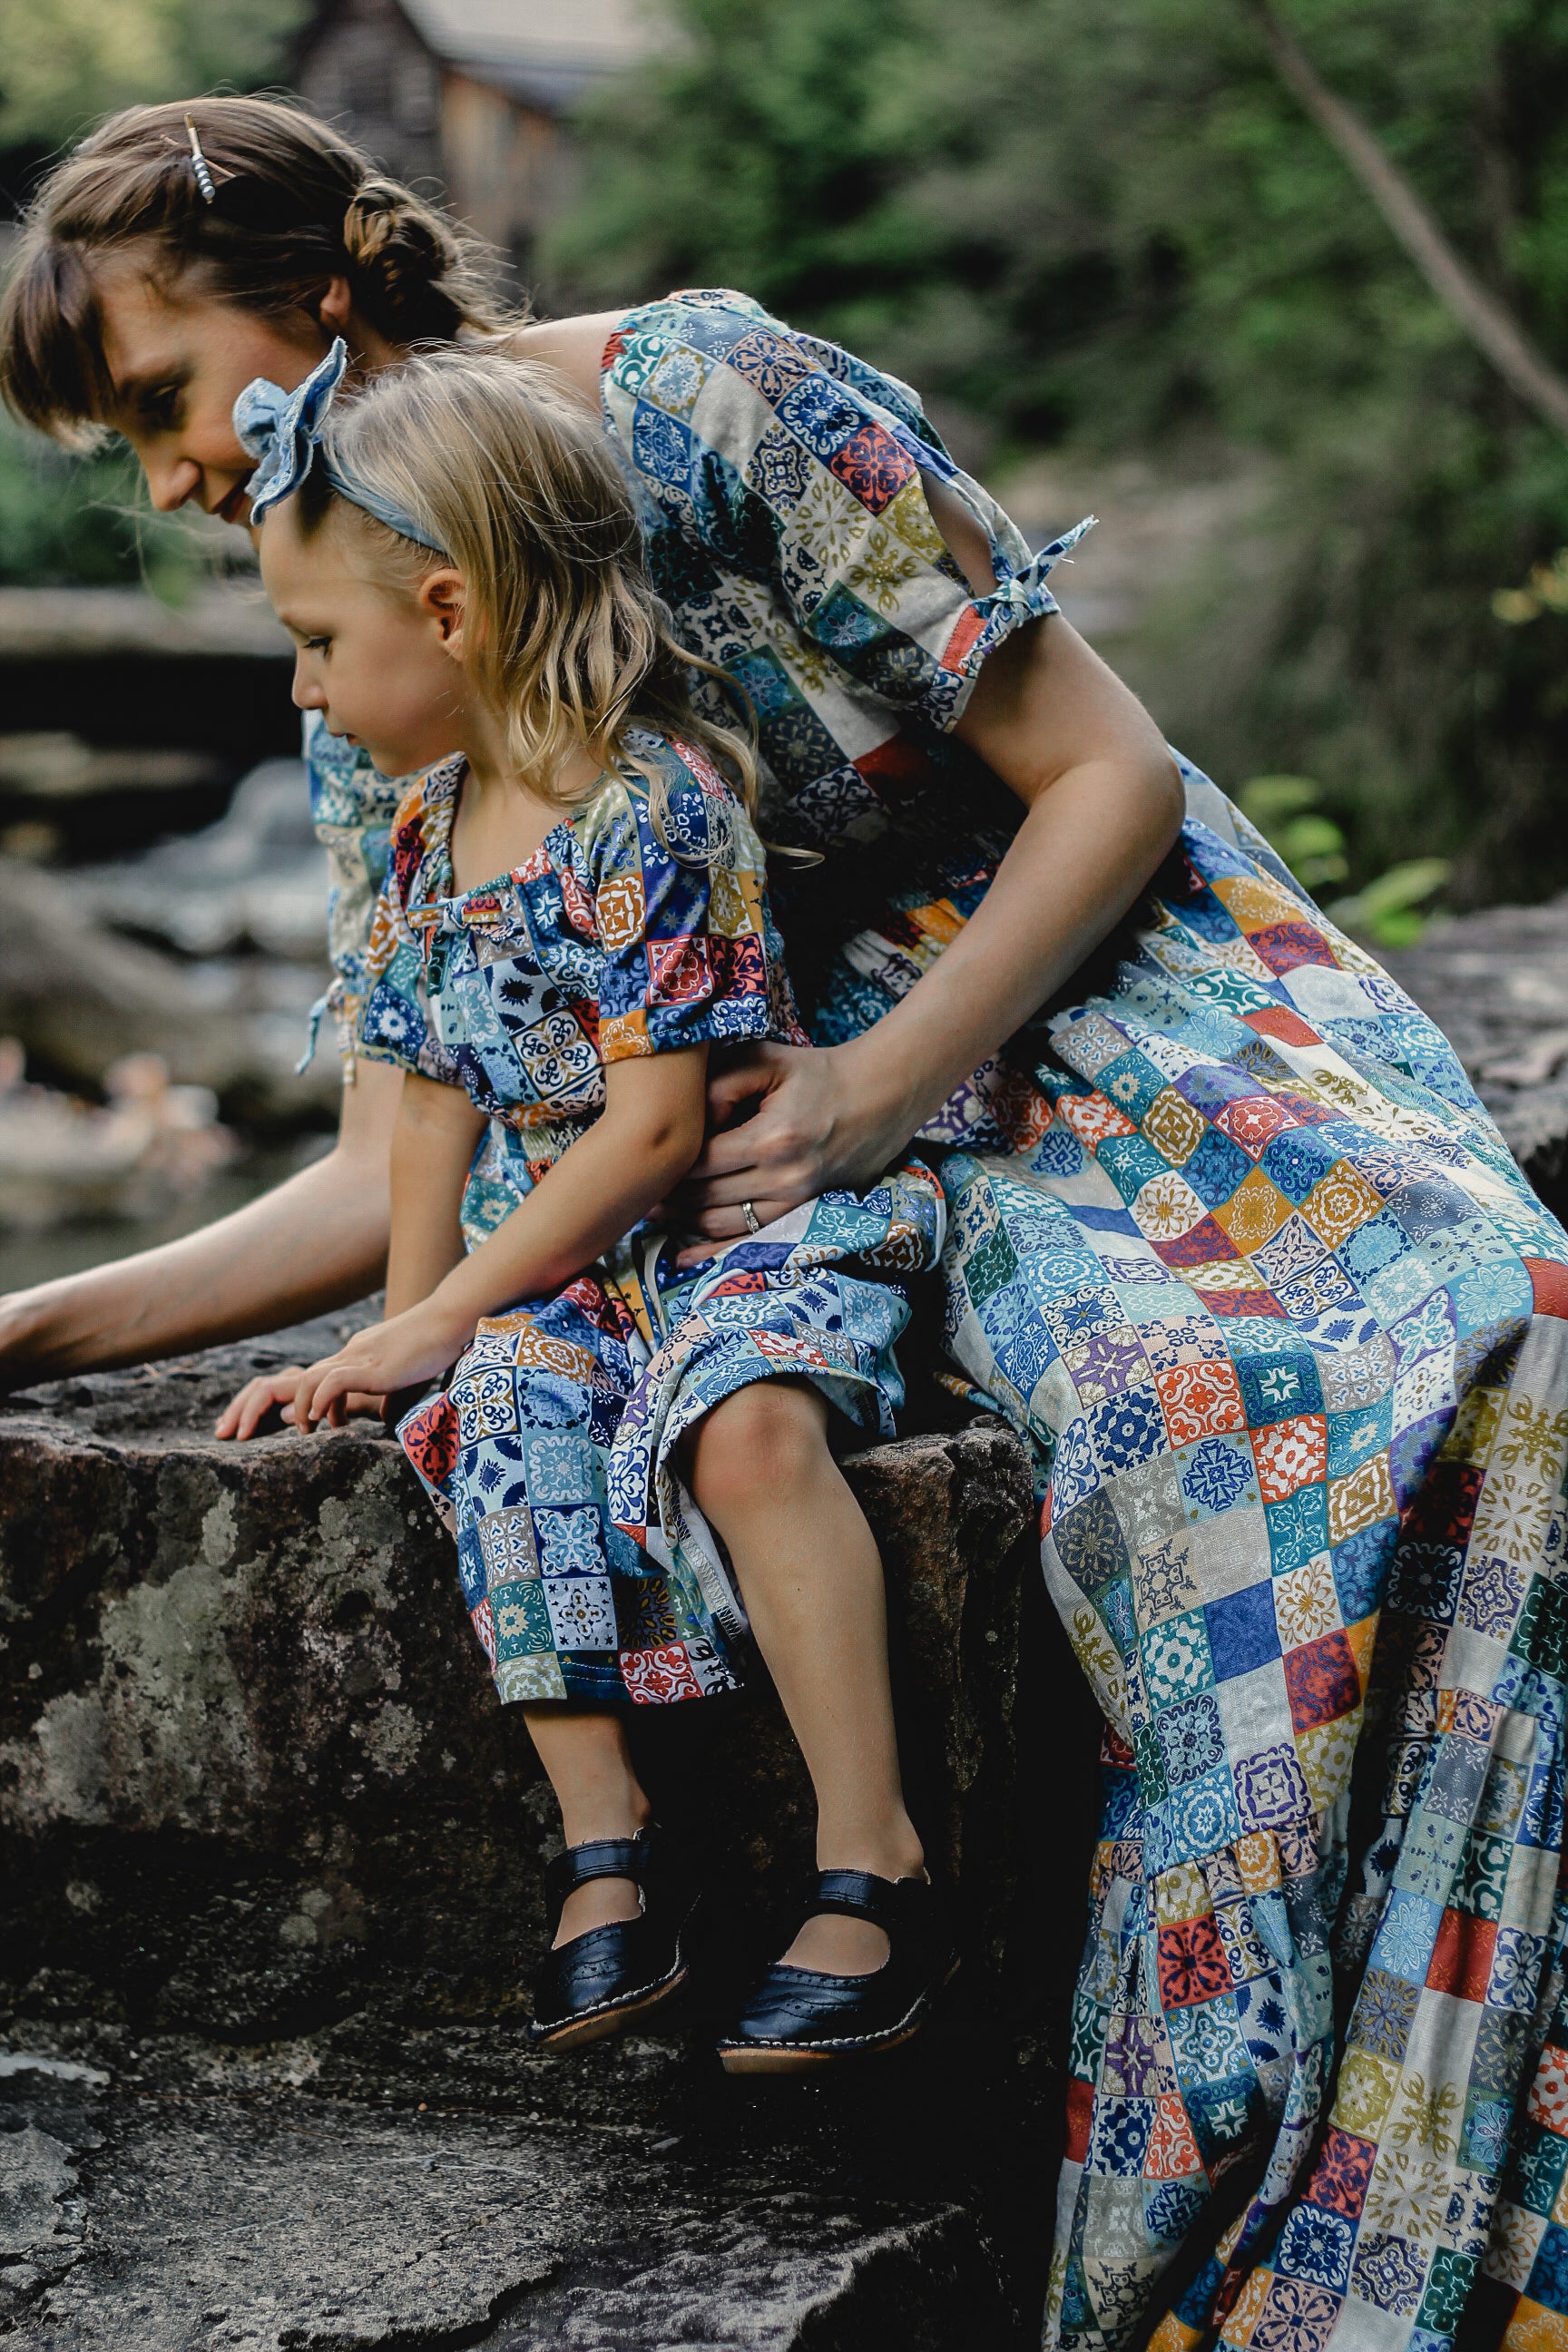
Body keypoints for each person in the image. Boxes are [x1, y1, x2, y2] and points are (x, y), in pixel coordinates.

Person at [5, 93, 1568, 2352]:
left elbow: (1106, 773)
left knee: (1507, 1315)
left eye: (158, 399)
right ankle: (1279, 2178)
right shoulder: (367, 654)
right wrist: (39, 1332)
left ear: (320, 294)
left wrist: (882, 1075)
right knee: (1197, 1421)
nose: (162, 478)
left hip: (1067, 979)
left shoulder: (720, 400)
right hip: (751, 1109)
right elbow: (385, 1168)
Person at [234, 333, 954, 2067]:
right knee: (496, 1417)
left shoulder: (655, 806)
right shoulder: (424, 833)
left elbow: (646, 1139)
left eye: (321, 643)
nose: (305, 693)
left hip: (728, 1228)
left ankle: (878, 1853)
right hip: (561, 1272)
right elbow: (427, 1102)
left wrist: (442, 1306)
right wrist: (407, 1338)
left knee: (745, 1430)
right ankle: (608, 1848)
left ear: (455, 610)